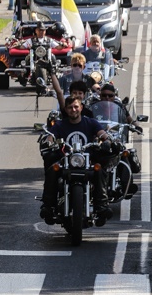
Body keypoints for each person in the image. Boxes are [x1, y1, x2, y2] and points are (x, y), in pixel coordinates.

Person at [40, 96, 112, 226]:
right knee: (52, 170)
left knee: (99, 170)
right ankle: (48, 206)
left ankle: (101, 206)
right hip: (66, 161)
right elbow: (50, 136)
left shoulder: (90, 122)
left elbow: (102, 133)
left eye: (76, 106)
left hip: (87, 162)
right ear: (66, 110)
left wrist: (106, 140)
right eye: (70, 107)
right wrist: (48, 142)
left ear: (81, 108)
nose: (73, 110)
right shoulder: (60, 125)